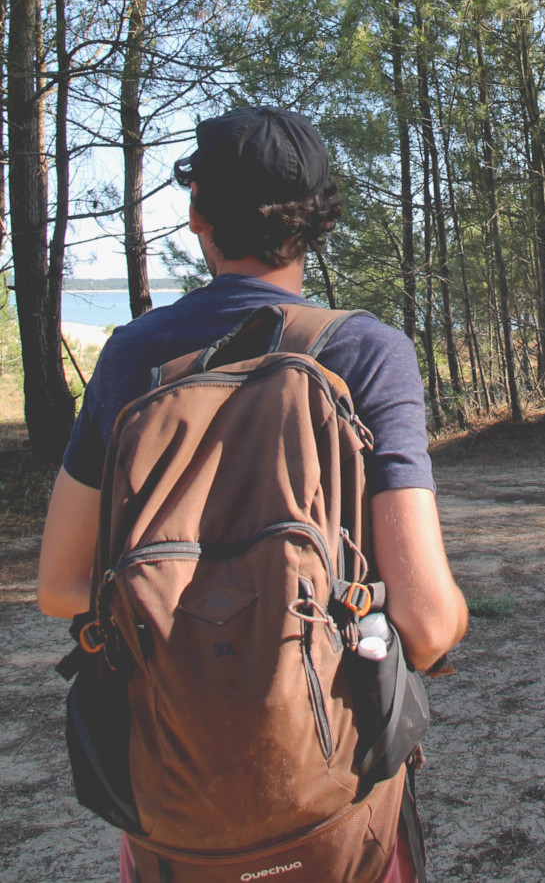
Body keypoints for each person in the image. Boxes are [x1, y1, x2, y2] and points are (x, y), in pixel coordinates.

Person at [38, 105, 468, 883]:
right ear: (318, 221)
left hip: (175, 810)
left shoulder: (132, 357)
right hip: (336, 817)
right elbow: (430, 622)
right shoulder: (366, 353)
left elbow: (61, 585)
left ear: (198, 214)